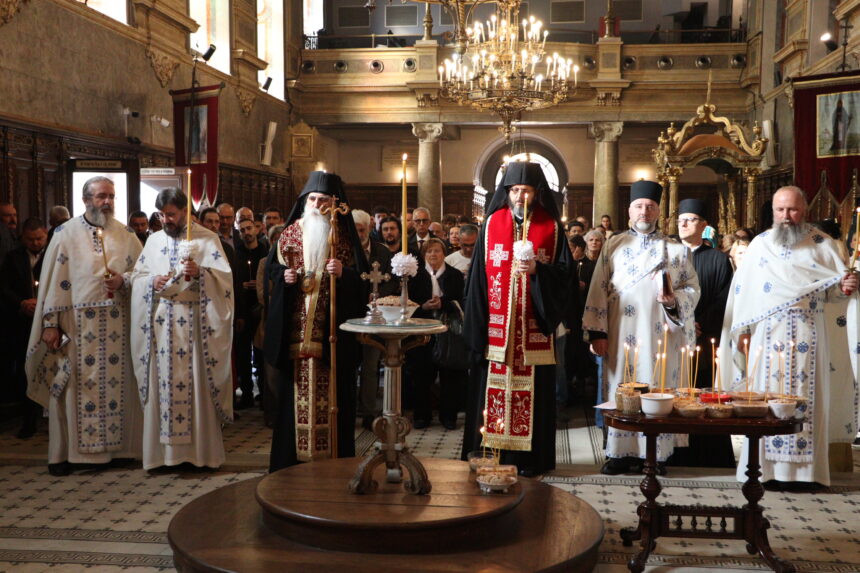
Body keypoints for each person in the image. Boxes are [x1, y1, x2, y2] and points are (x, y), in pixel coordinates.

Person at [720, 186, 859, 490]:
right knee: (766, 403)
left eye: (792, 210)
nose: (786, 217)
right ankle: (765, 472)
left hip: (810, 334)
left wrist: (847, 284)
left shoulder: (823, 244)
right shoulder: (759, 245)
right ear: (773, 211)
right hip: (766, 338)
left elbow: (835, 291)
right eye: (780, 210)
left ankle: (808, 475)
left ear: (804, 211)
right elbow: (743, 293)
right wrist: (742, 333)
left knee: (808, 403)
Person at [461, 162, 574, 477]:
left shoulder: (550, 227)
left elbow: (565, 277)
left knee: (534, 399)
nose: (520, 195)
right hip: (496, 334)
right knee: (491, 394)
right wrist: (478, 328)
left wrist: (539, 272)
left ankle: (529, 461)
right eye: (514, 190)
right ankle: (491, 454)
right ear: (506, 192)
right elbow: (478, 283)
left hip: (534, 333)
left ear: (536, 192)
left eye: (526, 190)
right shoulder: (492, 224)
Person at [25, 176, 143, 476]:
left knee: (120, 389)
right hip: (76, 328)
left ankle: (119, 452)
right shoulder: (65, 233)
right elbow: (53, 281)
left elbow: (142, 273)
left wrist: (123, 280)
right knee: (70, 389)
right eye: (101, 196)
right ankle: (66, 455)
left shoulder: (127, 235)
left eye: (111, 196)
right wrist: (50, 324)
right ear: (86, 199)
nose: (107, 201)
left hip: (118, 326)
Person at [583, 180, 700, 475]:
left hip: (662, 335)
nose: (644, 212)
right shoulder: (613, 245)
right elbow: (597, 288)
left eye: (650, 207)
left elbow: (692, 289)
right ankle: (621, 454)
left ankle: (655, 455)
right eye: (639, 206)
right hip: (621, 332)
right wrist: (598, 332)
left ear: (659, 211)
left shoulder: (676, 249)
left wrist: (675, 300)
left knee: (658, 388)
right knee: (621, 388)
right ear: (629, 211)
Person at [265, 171, 368, 471]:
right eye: (312, 199)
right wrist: (282, 278)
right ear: (304, 202)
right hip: (295, 337)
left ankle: (334, 464)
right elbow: (272, 271)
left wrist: (344, 275)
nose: (317, 205)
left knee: (336, 401)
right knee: (291, 403)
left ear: (335, 203)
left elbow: (362, 282)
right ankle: (289, 464)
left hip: (331, 341)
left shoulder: (345, 239)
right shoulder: (289, 234)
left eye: (324, 200)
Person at [129, 187, 234, 471]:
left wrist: (201, 273)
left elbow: (224, 283)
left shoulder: (207, 239)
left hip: (196, 328)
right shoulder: (152, 241)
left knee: (196, 387)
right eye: (162, 215)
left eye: (171, 214)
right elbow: (138, 277)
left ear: (185, 212)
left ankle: (199, 456)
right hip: (161, 329)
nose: (166, 220)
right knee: (160, 389)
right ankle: (163, 457)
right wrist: (151, 282)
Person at [667, 198, 735, 468]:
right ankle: (672, 453)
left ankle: (707, 454)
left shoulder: (718, 259)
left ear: (704, 225)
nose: (683, 223)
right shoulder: (668, 255)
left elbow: (724, 298)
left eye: (691, 219)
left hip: (705, 339)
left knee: (701, 390)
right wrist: (682, 320)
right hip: (673, 335)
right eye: (681, 219)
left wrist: (699, 323)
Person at [408, 238, 465, 429]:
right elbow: (406, 304)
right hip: (421, 331)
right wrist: (423, 306)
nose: (433, 254)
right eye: (429, 251)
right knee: (421, 376)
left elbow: (462, 302)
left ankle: (448, 416)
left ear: (444, 253)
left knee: (450, 376)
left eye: (437, 251)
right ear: (424, 255)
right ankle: (422, 416)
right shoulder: (414, 276)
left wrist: (444, 303)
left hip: (448, 331)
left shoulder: (454, 275)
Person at [1, 218, 47, 438]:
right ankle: (28, 420)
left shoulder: (54, 255)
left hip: (50, 320)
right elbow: (4, 287)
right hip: (22, 322)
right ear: (23, 238)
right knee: (25, 370)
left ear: (46, 235)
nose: (36, 243)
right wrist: (22, 302)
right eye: (31, 239)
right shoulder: (13, 257)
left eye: (39, 238)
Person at [352, 209, 397, 429]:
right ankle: (349, 408)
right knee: (350, 365)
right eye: (355, 230)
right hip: (350, 316)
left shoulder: (382, 251)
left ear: (369, 228)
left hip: (375, 316)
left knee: (370, 366)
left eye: (361, 230)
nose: (358, 234)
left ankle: (369, 410)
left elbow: (391, 279)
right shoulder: (345, 250)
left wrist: (380, 294)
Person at [235, 217, 268, 409]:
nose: (247, 232)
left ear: (256, 229)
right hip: (243, 309)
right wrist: (242, 285)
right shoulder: (236, 253)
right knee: (243, 354)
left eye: (249, 228)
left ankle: (263, 394)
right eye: (242, 230)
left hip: (261, 310)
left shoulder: (264, 252)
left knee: (261, 354)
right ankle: (246, 393)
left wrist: (260, 286)